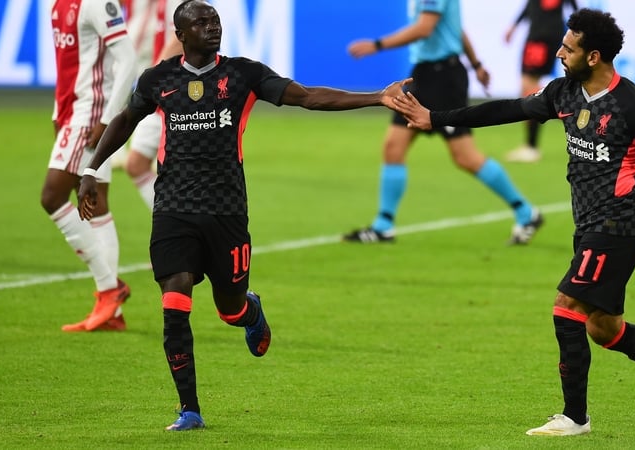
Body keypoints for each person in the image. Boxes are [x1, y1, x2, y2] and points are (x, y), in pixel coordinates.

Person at [76, 0, 410, 431]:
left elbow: (307, 97)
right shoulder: (159, 79)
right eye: (201, 22)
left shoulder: (243, 75)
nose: (212, 27)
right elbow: (124, 120)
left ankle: (249, 312)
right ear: (181, 33)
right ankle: (189, 409)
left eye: (215, 20)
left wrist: (377, 97)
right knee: (174, 303)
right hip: (174, 212)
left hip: (227, 212)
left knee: (228, 308)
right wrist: (91, 168)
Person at [393, 8, 635, 436]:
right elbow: (508, 109)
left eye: (569, 48)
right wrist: (436, 119)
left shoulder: (634, 105)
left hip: (619, 223)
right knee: (604, 329)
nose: (558, 51)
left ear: (594, 57)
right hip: (588, 224)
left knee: (565, 306)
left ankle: (575, 417)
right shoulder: (564, 93)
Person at [342, 0, 543, 245]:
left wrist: (377, 45)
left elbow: (424, 28)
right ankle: (383, 226)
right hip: (424, 75)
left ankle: (526, 212)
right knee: (393, 147)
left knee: (465, 157)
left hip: (443, 81)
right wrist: (476, 64)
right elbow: (456, 29)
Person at [47, 0, 137, 332]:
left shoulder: (99, 3)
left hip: (91, 114)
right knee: (95, 202)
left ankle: (110, 287)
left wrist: (107, 117)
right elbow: (66, 65)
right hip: (72, 112)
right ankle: (110, 312)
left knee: (51, 197)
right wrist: (57, 113)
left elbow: (128, 59)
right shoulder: (58, 5)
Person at [115, 0, 185, 209]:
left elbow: (182, 35)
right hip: (162, 92)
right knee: (136, 164)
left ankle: (190, 228)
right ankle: (177, 223)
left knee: (187, 173)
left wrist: (154, 74)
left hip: (179, 92)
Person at [504, 0, 578, 163]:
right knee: (528, 86)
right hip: (543, 35)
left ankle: (531, 146)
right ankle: (530, 145)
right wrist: (514, 26)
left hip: (540, 36)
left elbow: (573, 9)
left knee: (528, 86)